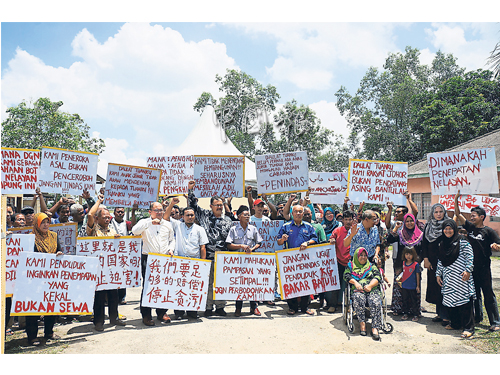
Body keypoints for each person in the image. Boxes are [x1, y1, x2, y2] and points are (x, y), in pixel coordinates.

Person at [453, 192, 500, 331]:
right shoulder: (470, 228)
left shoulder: (489, 231)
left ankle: (495, 322)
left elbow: (498, 243)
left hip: (484, 268)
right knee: (474, 295)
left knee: (488, 294)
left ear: (482, 217)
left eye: (474, 215)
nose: (471, 217)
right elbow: (458, 213)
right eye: (471, 215)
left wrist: (496, 246)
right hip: (471, 268)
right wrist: (456, 199)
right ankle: (478, 317)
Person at [187, 180, 232, 317]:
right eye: (217, 205)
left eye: (221, 205)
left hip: (223, 256)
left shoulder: (228, 220)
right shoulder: (204, 215)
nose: (220, 207)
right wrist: (190, 190)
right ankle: (208, 307)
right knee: (208, 283)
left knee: (221, 282)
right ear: (211, 206)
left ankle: (220, 306)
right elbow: (193, 206)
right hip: (208, 255)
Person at [85, 194, 126, 331]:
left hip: (111, 268)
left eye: (109, 217)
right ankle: (99, 322)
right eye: (104, 217)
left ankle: (114, 318)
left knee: (113, 294)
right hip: (98, 268)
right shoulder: (93, 229)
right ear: (97, 218)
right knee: (99, 296)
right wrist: (99, 201)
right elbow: (90, 215)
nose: (107, 219)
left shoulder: (112, 230)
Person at [164, 197, 208, 319]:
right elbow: (166, 217)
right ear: (182, 216)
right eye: (187, 215)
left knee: (193, 288)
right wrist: (172, 204)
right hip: (179, 262)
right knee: (179, 287)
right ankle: (178, 312)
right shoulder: (178, 225)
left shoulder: (200, 229)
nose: (190, 217)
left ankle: (192, 311)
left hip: (195, 263)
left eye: (192, 215)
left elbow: (202, 247)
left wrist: (203, 264)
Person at [131, 201, 175, 326]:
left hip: (164, 259)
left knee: (163, 285)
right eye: (156, 210)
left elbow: (172, 239)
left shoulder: (167, 224)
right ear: (150, 212)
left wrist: (171, 249)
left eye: (161, 210)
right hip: (149, 258)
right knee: (148, 287)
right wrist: (150, 222)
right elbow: (135, 231)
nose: (160, 213)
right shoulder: (144, 222)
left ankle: (161, 312)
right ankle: (146, 315)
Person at [25, 212, 63, 346]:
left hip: (51, 277)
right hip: (34, 279)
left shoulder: (54, 236)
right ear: (36, 223)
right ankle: (32, 336)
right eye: (43, 222)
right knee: (33, 307)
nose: (46, 225)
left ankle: (49, 332)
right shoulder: (30, 238)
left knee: (50, 304)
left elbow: (59, 250)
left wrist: (59, 253)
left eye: (47, 222)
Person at [436, 219, 476, 338]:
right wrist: (438, 274)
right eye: (446, 229)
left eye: (450, 228)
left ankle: (469, 328)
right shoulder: (442, 243)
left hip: (461, 277)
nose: (448, 231)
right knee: (451, 301)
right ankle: (455, 324)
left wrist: (468, 270)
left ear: (455, 229)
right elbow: (440, 260)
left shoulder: (462, 241)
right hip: (448, 278)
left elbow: (470, 255)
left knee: (464, 302)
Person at [277, 205, 318, 315]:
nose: (298, 214)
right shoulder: (286, 226)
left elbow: (315, 239)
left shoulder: (309, 226)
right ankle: (292, 307)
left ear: (303, 213)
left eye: (300, 212)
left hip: (305, 260)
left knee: (306, 283)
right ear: (292, 213)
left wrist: (307, 243)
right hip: (291, 261)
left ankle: (305, 307)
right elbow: (278, 242)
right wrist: (283, 239)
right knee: (291, 283)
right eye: (296, 212)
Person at [226, 205, 263, 317]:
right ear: (239, 216)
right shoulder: (233, 229)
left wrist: (252, 248)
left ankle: (254, 307)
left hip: (251, 260)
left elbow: (259, 242)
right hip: (237, 261)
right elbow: (228, 244)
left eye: (248, 215)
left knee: (252, 283)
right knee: (239, 284)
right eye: (245, 215)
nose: (247, 217)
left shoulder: (253, 228)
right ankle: (238, 308)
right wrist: (241, 246)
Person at [387, 213, 424, 316]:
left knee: (414, 288)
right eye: (407, 221)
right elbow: (389, 240)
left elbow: (423, 250)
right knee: (400, 288)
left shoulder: (420, 234)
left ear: (415, 221)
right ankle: (399, 309)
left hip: (414, 267)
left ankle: (414, 311)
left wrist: (418, 261)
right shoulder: (400, 234)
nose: (409, 223)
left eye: (411, 221)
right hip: (400, 266)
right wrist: (395, 228)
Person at [344, 247, 383, 341]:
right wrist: (356, 283)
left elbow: (378, 276)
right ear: (357, 256)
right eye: (361, 255)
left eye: (365, 255)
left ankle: (375, 328)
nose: (363, 257)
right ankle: (362, 324)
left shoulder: (371, 266)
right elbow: (346, 276)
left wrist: (370, 286)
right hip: (358, 290)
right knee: (358, 298)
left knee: (375, 301)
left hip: (372, 289)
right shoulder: (350, 265)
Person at [421, 203, 449, 325]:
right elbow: (424, 244)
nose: (438, 214)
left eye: (440, 212)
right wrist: (426, 259)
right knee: (435, 287)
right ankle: (439, 313)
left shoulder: (448, 225)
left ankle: (446, 315)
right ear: (432, 213)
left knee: (446, 287)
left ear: (444, 213)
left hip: (447, 262)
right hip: (433, 262)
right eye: (436, 212)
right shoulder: (428, 225)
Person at [326, 210, 355, 313]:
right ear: (342, 220)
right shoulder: (337, 230)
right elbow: (331, 238)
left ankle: (351, 306)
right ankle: (333, 305)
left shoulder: (356, 231)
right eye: (346, 219)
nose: (348, 222)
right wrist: (332, 240)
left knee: (352, 285)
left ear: (353, 220)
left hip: (352, 262)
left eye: (350, 219)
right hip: (338, 261)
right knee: (336, 284)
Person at [399, 247, 421, 322]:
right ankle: (405, 313)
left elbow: (418, 275)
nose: (408, 256)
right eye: (406, 254)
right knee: (404, 300)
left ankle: (415, 315)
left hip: (413, 286)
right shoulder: (403, 263)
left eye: (410, 254)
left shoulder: (416, 264)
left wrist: (418, 286)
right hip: (405, 285)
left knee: (414, 301)